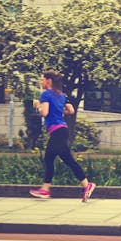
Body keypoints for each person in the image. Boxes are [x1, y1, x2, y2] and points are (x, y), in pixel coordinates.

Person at [29, 70, 96, 202]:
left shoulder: (46, 94)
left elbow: (45, 113)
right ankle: (85, 185)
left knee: (51, 158)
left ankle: (46, 189)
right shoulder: (62, 95)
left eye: (42, 80)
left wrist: (37, 106)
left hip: (57, 132)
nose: (41, 82)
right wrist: (59, 110)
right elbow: (71, 110)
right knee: (59, 159)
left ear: (48, 81)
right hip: (62, 130)